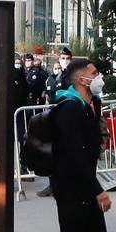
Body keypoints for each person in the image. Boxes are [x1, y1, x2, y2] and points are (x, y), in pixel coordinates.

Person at [45, 59, 111, 232]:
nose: (99, 77)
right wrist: (98, 190)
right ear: (80, 80)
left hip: (81, 185)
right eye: (94, 74)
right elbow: (74, 153)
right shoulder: (69, 108)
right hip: (72, 187)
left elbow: (86, 146)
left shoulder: (89, 106)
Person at [37, 49, 72, 198]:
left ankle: (68, 185)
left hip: (69, 119)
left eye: (67, 58)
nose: (65, 60)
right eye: (63, 58)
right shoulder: (52, 78)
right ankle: (53, 184)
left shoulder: (72, 76)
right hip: (53, 119)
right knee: (52, 154)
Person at [12, 57, 30, 175]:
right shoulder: (7, 73)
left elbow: (25, 90)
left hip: (19, 112)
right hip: (10, 112)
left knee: (22, 139)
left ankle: (23, 165)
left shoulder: (19, 74)